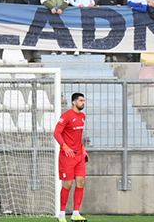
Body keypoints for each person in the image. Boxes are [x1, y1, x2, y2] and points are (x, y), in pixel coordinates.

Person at [54, 92, 88, 221]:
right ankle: (62, 214)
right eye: (80, 101)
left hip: (79, 155)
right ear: (74, 102)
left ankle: (76, 213)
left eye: (84, 101)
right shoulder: (66, 116)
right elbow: (56, 133)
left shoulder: (83, 116)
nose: (83, 103)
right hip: (68, 155)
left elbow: (78, 137)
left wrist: (83, 149)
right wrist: (65, 146)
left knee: (81, 182)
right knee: (68, 183)